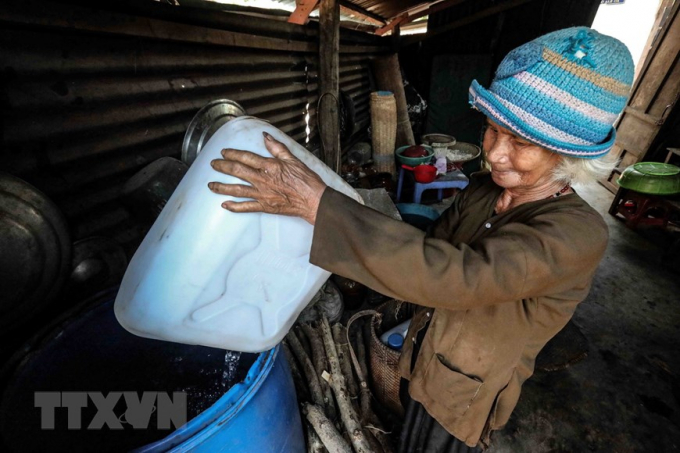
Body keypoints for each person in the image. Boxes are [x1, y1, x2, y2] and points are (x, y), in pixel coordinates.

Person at [207, 27, 634, 451]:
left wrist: (323, 207)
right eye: (492, 129)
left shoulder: (577, 234)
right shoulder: (485, 189)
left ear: (569, 156)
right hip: (424, 351)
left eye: (520, 142)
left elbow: (459, 277)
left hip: (464, 391)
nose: (495, 153)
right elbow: (434, 247)